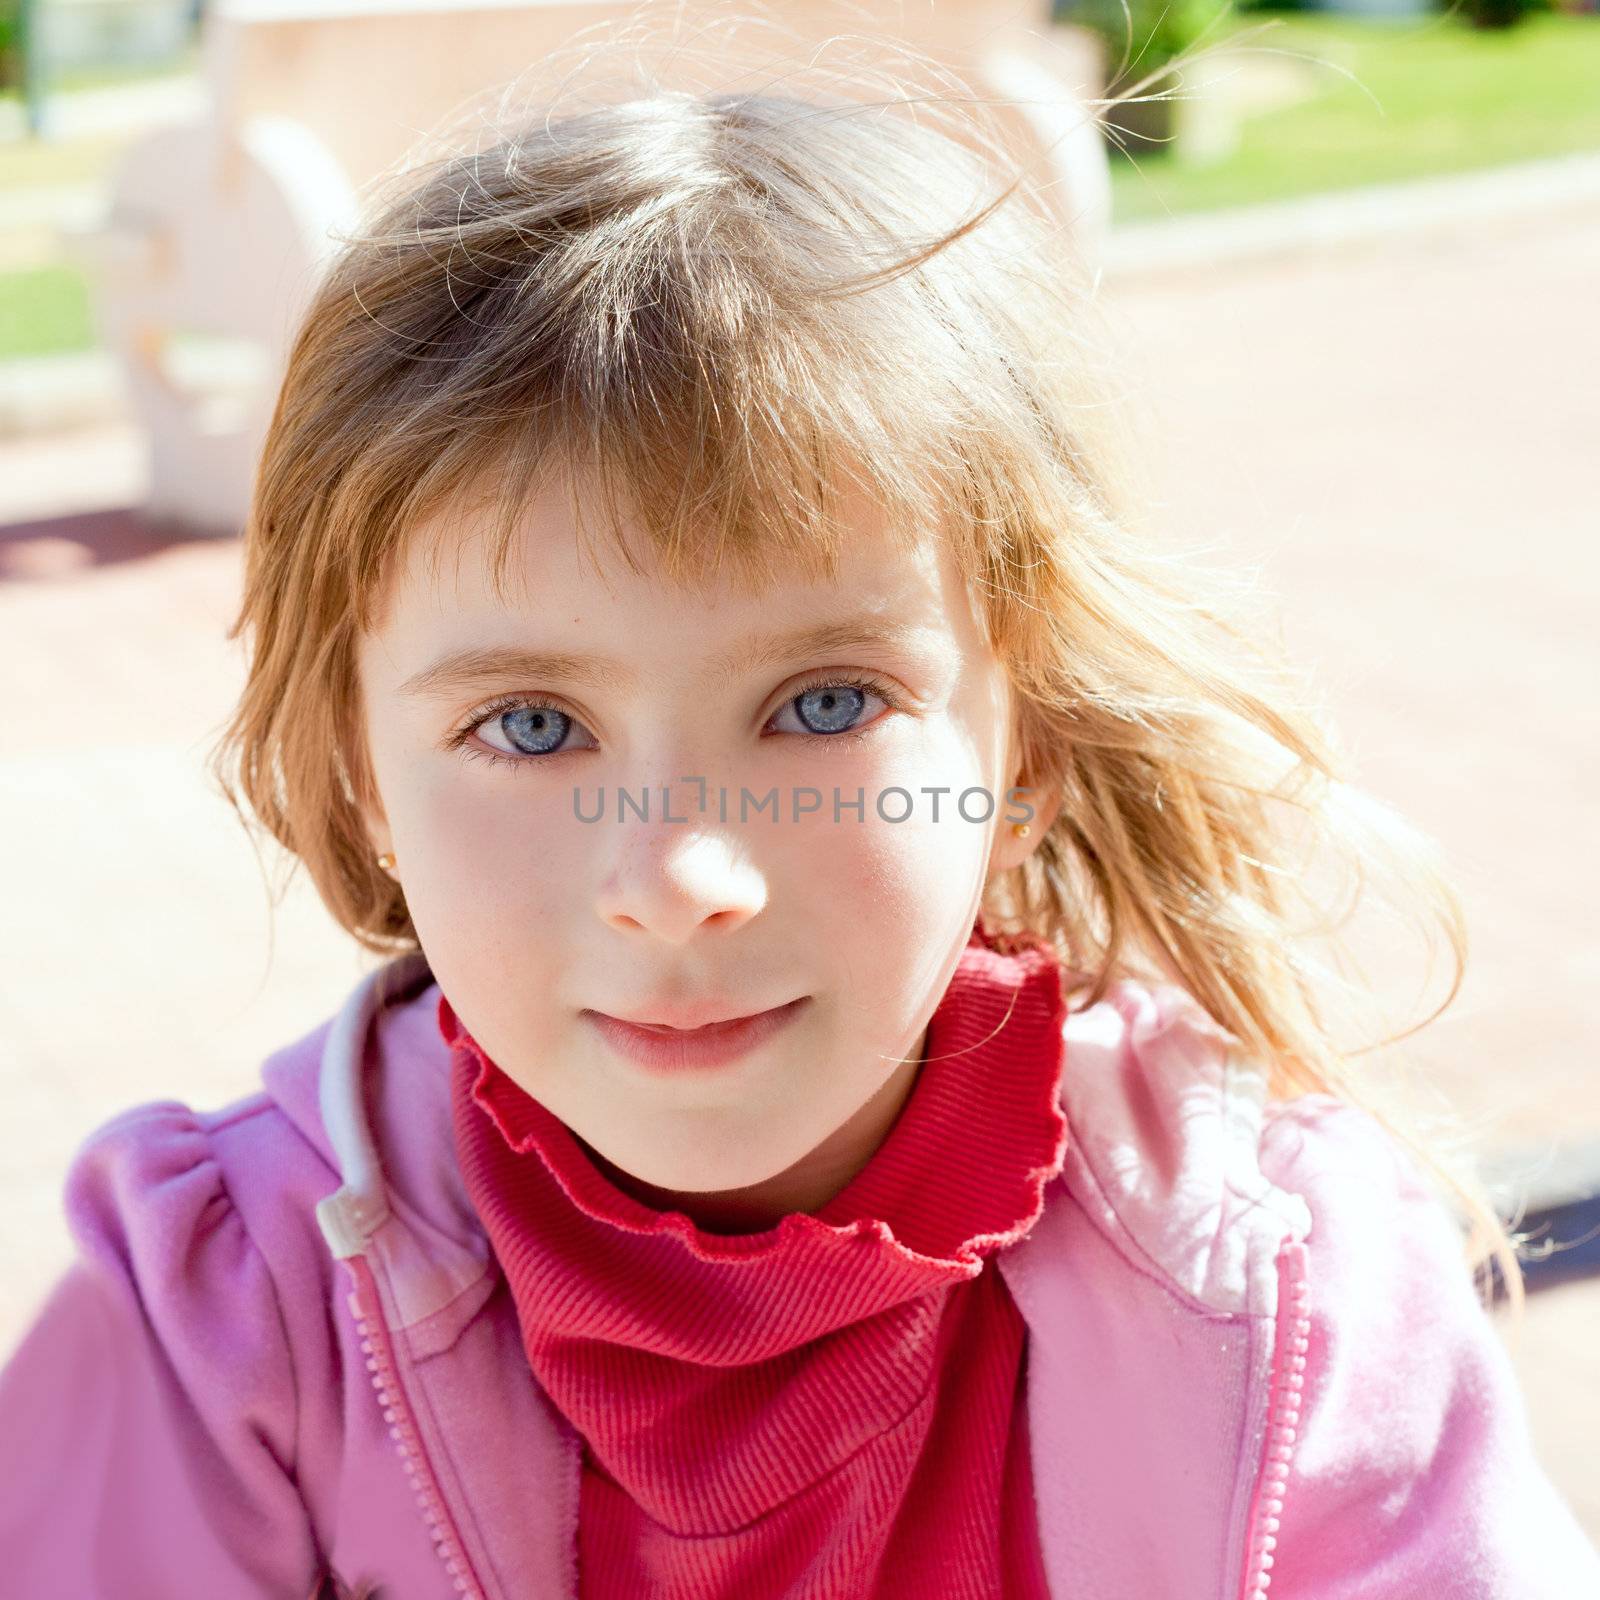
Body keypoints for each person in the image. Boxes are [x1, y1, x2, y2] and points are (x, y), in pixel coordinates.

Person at [2, 39, 1597, 1600]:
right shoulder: (217, 1333)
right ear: (363, 776)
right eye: (531, 726)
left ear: (1024, 739)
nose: (681, 878)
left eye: (824, 704)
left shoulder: (1282, 1272)